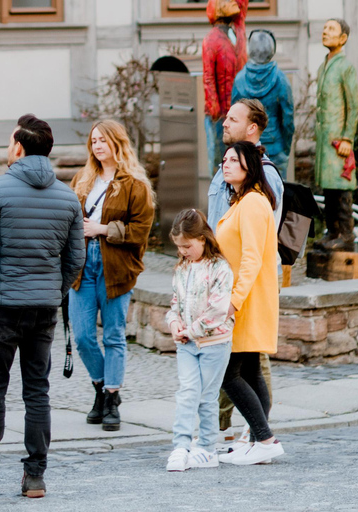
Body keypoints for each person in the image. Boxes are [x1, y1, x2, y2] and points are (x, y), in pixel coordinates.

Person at [0, 114, 85, 499]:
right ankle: (35, 476)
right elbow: (76, 259)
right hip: (43, 308)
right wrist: (54, 292)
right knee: (37, 392)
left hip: (0, 306)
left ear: (19, 147)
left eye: (11, 141)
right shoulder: (68, 196)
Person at [69, 120, 155, 432]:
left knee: (114, 335)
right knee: (82, 336)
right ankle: (101, 386)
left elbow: (141, 231)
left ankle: (111, 398)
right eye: (94, 141)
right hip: (81, 266)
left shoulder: (135, 184)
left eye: (103, 140)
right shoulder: (83, 178)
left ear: (117, 143)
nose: (98, 146)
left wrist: (103, 229)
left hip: (115, 267)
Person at [206, 98, 282, 447]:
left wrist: (233, 301)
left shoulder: (253, 200)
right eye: (224, 161)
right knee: (249, 370)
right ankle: (258, 439)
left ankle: (262, 438)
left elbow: (254, 256)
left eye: (233, 161)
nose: (226, 164)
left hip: (244, 296)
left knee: (231, 373)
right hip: (235, 291)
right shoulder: (241, 197)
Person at [165, 209, 234, 472]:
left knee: (206, 396)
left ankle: (206, 446)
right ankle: (181, 445)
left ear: (203, 239)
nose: (183, 251)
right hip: (187, 344)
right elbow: (174, 303)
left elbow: (218, 310)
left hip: (214, 343)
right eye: (179, 246)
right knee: (186, 393)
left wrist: (191, 331)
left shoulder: (220, 268)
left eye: (187, 245)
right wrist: (174, 323)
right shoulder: (182, 268)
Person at [312, 18, 358, 252]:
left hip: (339, 142)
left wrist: (348, 138)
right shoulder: (324, 66)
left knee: (341, 190)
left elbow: (353, 105)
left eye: (331, 29)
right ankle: (332, 232)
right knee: (328, 190)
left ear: (343, 38)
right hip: (325, 142)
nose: (325, 32)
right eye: (324, 28)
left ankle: (347, 234)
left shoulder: (345, 66)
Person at [232, 29, 295, 175]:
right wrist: (285, 149)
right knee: (276, 194)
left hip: (248, 148)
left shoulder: (240, 79)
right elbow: (288, 120)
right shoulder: (281, 79)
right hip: (275, 146)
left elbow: (234, 119)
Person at [202, 0, 249, 176]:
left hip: (236, 109)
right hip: (220, 113)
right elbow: (208, 77)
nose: (235, 3)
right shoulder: (212, 39)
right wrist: (216, 111)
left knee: (239, 158)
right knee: (220, 160)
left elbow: (242, 7)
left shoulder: (236, 32)